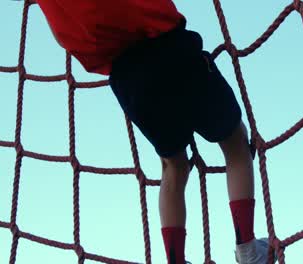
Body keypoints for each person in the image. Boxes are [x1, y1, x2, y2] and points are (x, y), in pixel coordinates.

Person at [34, 0, 278, 263]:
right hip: (170, 48)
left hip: (128, 78)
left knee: (173, 167)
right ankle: (249, 251)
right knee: (235, 142)